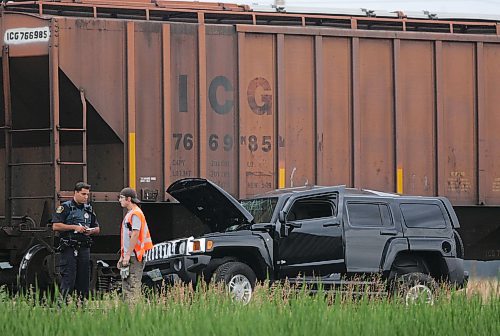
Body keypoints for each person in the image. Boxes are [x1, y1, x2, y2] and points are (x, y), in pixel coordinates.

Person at [52, 182, 100, 300]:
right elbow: (56, 226)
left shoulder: (88, 209)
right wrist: (74, 227)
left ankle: (81, 305)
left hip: (84, 247)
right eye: (83, 194)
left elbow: (98, 228)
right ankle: (63, 305)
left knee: (84, 279)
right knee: (69, 278)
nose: (86, 197)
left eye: (87, 194)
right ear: (76, 193)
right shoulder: (65, 207)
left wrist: (91, 231)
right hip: (69, 247)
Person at [117, 187, 153, 302]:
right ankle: (128, 315)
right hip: (130, 255)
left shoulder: (136, 214)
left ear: (128, 199)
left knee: (132, 287)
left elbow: (135, 235)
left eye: (121, 198)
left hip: (135, 256)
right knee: (127, 288)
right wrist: (122, 256)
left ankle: (134, 316)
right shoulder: (131, 213)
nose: (119, 200)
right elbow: (127, 238)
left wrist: (127, 255)